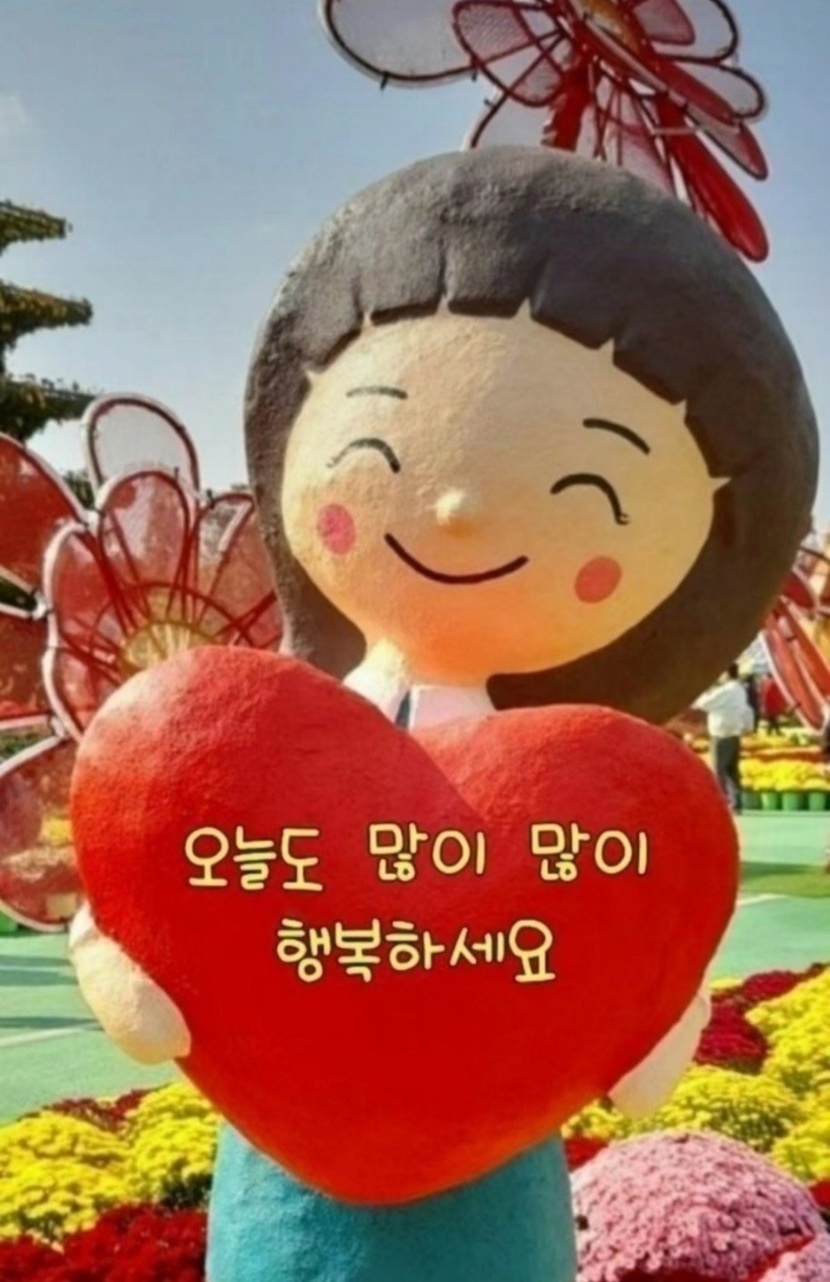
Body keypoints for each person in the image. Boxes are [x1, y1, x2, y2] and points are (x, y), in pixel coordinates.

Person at [69, 148, 817, 1282]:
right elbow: (161, 855)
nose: (460, 507)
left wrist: (653, 1014)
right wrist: (110, 948)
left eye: (590, 490)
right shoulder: (259, 738)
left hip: (493, 1167)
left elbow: (629, 921)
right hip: (285, 1160)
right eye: (379, 439)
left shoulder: (599, 789)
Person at [694, 665, 755, 813]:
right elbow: (747, 711)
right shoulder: (740, 690)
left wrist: (704, 691)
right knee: (732, 771)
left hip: (721, 735)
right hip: (734, 735)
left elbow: (704, 704)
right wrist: (748, 726)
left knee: (718, 771)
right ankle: (736, 802)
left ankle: (719, 803)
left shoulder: (726, 690)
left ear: (726, 673)